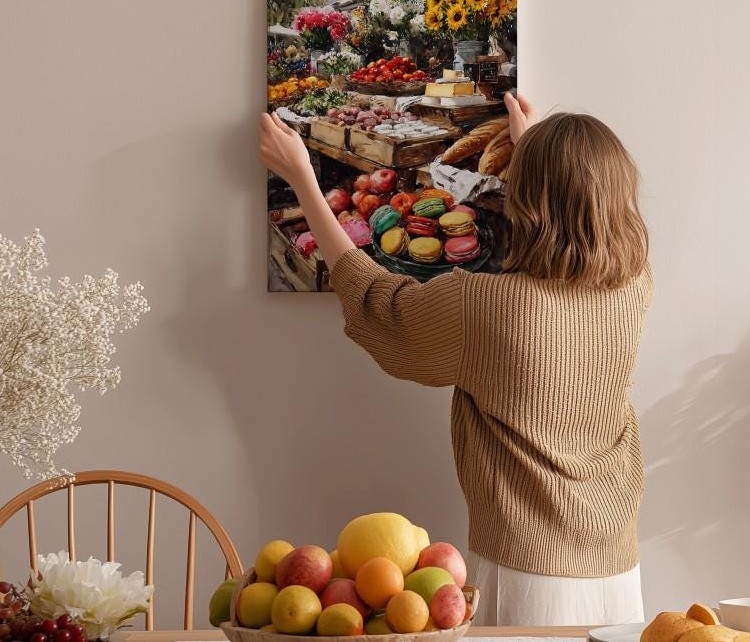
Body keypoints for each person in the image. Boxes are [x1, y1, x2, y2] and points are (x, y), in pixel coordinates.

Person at [258, 93, 652, 625]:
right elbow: (572, 219)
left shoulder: (485, 306)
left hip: (526, 574)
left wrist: (302, 177)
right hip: (618, 568)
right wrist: (534, 148)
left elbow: (377, 301)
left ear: (526, 198)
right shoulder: (634, 287)